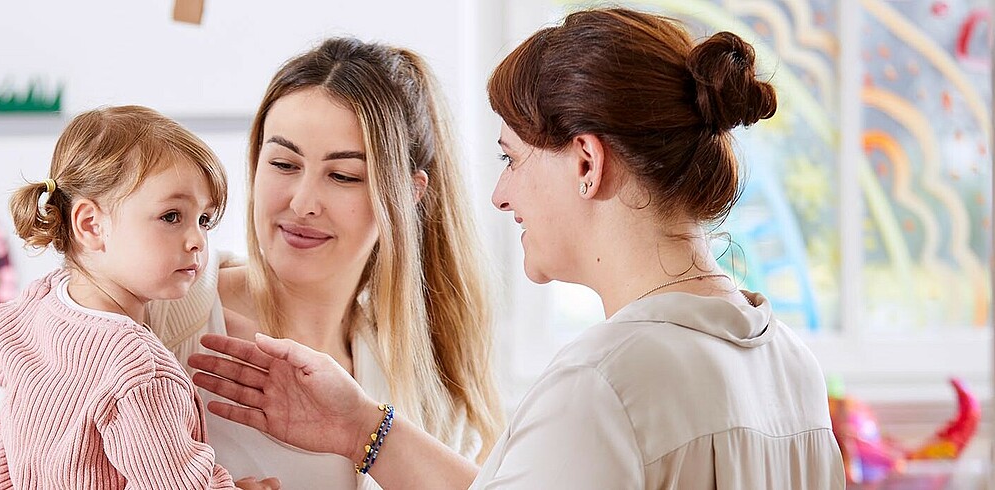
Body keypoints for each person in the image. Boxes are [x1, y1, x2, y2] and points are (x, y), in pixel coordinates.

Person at [189, 8, 846, 489]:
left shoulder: (602, 386)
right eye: (282, 162)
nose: (500, 196)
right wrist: (363, 427)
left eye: (513, 158)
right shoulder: (795, 372)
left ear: (587, 162)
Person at [0, 37, 505, 490]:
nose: (301, 203)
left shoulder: (418, 366)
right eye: (283, 164)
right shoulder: (151, 312)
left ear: (410, 194)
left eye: (343, 175)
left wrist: (368, 430)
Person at [0, 105, 274, 489]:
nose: (197, 241)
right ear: (91, 225)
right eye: (172, 216)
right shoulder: (139, 370)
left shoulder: (34, 304)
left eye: (204, 220)